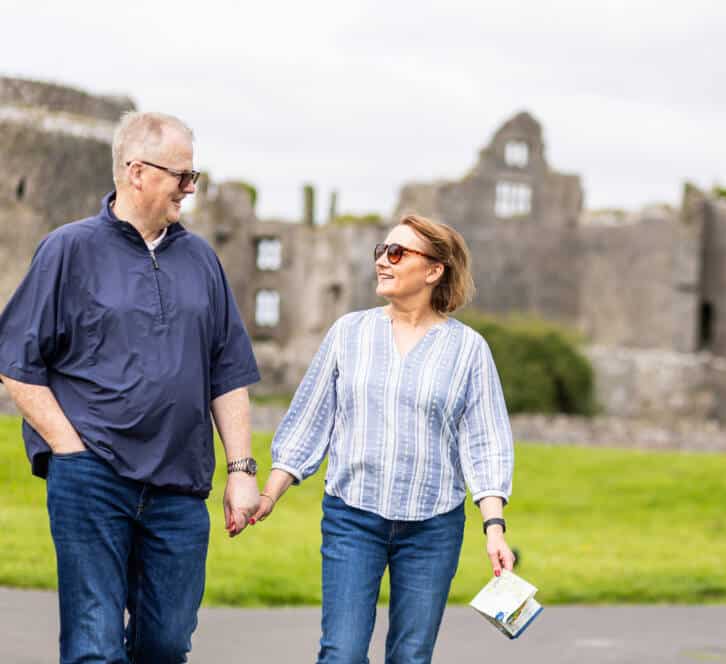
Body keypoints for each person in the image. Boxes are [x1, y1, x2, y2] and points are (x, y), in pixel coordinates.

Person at [0, 111, 262, 663]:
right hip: (92, 478)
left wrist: (241, 470)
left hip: (179, 487)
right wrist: (69, 449)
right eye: (183, 176)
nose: (191, 189)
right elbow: (16, 363)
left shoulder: (202, 260)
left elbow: (229, 371)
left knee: (165, 645)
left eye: (195, 177)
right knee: (94, 646)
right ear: (137, 171)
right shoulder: (68, 249)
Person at [254, 214, 516, 664]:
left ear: (434, 270)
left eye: (397, 253)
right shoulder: (348, 333)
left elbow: (486, 443)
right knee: (342, 653)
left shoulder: (469, 350)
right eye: (382, 251)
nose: (383, 261)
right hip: (352, 518)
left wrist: (494, 529)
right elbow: (308, 421)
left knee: (411, 656)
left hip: (433, 527)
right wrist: (269, 494)